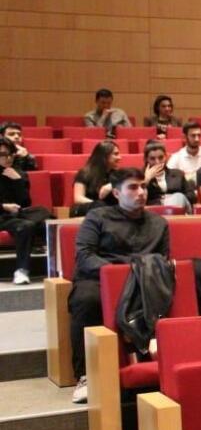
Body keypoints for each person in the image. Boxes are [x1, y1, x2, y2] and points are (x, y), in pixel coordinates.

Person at [67, 167, 169, 403]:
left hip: (144, 282)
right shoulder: (97, 218)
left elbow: (162, 261)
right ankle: (85, 375)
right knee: (86, 300)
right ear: (116, 193)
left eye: (143, 186)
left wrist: (137, 275)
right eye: (133, 187)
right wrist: (116, 274)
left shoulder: (159, 223)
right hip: (99, 279)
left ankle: (165, 362)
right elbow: (85, 256)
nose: (141, 192)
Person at [0, 138, 52, 285]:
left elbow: (25, 203)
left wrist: (17, 181)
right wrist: (4, 207)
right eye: (3, 154)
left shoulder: (19, 174)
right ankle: (21, 270)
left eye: (11, 154)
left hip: (17, 215)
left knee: (48, 219)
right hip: (2, 216)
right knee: (26, 226)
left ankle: (59, 268)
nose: (8, 158)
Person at [142, 140, 194, 213]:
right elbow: (136, 199)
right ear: (146, 159)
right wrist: (147, 179)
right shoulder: (140, 177)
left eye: (161, 158)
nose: (157, 162)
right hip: (154, 211)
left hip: (179, 207)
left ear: (166, 157)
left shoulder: (177, 174)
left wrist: (171, 198)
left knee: (178, 196)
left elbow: (192, 196)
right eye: (152, 159)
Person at [71, 140, 120, 217]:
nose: (119, 157)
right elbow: (78, 198)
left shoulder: (117, 175)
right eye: (116, 154)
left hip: (108, 211)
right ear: (104, 156)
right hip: (87, 208)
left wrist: (112, 185)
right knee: (100, 205)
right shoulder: (85, 173)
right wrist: (98, 205)